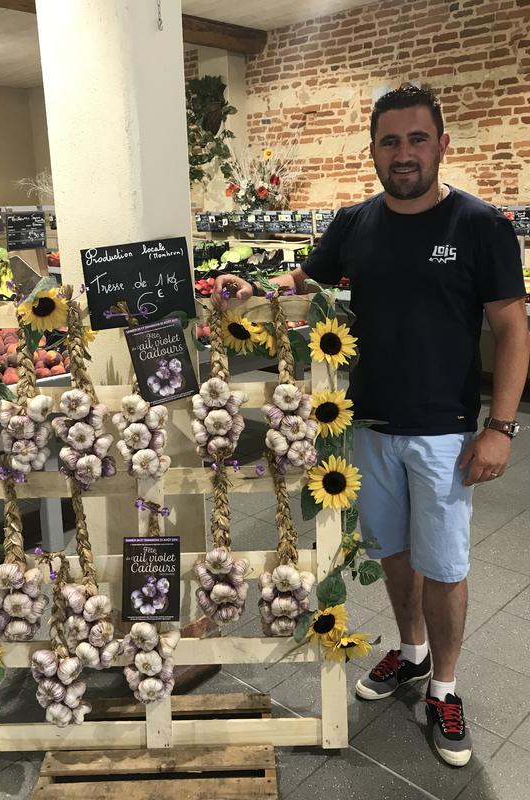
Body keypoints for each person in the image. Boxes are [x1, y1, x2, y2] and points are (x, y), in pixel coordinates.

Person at [211, 85, 530, 767]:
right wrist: (257, 290)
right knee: (394, 552)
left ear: (441, 145)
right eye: (390, 141)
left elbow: (512, 328)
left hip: (445, 433)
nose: (403, 153)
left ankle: (445, 687)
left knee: (444, 564)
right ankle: (412, 653)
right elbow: (305, 283)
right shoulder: (354, 224)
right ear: (374, 151)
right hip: (367, 426)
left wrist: (500, 426)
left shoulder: (480, 225)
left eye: (417, 139)